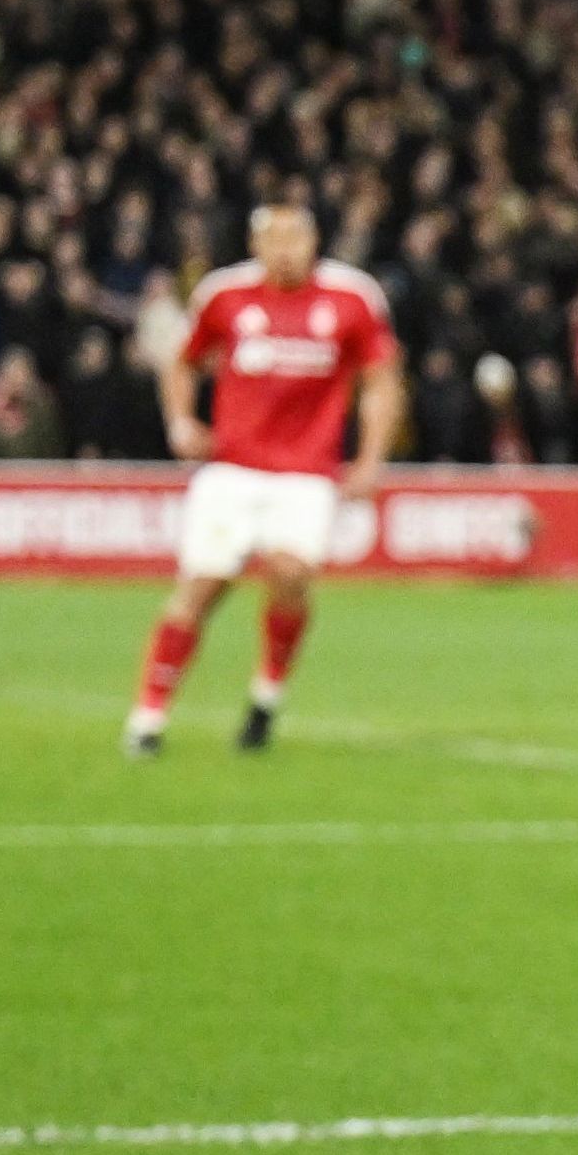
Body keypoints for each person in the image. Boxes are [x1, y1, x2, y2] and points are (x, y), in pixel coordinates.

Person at [127, 201, 400, 756]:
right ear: (256, 246)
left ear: (314, 240)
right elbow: (182, 360)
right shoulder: (224, 295)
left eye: (296, 238)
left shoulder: (353, 298)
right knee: (203, 585)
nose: (286, 250)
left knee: (290, 574)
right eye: (275, 239)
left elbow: (381, 380)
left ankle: (266, 695)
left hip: (306, 472)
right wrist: (180, 422)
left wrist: (371, 459)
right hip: (233, 468)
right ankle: (148, 717)